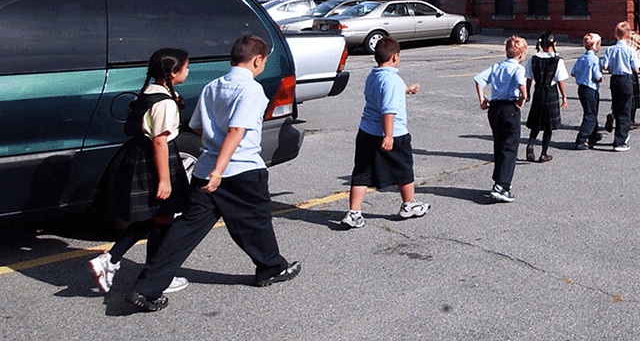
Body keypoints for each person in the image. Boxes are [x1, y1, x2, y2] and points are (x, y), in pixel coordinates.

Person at [126, 36, 300, 313]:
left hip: (205, 169)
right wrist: (220, 170)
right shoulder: (252, 90)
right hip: (238, 169)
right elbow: (236, 130)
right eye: (264, 61)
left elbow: (196, 127)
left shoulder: (211, 87)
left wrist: (213, 162)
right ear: (257, 60)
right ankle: (271, 267)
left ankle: (146, 288)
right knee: (255, 222)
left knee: (185, 230)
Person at [89, 48, 192, 297]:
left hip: (137, 158)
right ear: (174, 72)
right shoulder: (165, 102)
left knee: (159, 217)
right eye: (186, 67)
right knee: (160, 215)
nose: (188, 72)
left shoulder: (149, 93)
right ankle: (142, 270)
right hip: (155, 162)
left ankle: (136, 267)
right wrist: (165, 180)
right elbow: (160, 142)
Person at [338, 37, 428, 230]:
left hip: (366, 132)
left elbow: (381, 93)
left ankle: (354, 212)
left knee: (362, 171)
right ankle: (409, 203)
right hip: (393, 134)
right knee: (404, 168)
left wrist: (405, 90)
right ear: (395, 57)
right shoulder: (393, 80)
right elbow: (388, 109)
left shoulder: (375, 74)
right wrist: (388, 135)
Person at [474, 37, 529, 202]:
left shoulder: (497, 67)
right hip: (509, 108)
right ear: (521, 54)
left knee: (499, 144)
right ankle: (502, 185)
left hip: (495, 108)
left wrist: (482, 100)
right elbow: (522, 86)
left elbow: (478, 80)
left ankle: (499, 178)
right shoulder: (518, 69)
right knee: (510, 147)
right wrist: (523, 99)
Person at [525, 32, 569, 163]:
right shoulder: (557, 60)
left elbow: (528, 78)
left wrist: (526, 93)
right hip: (551, 92)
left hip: (538, 90)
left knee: (536, 123)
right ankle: (544, 153)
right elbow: (560, 80)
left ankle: (531, 143)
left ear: (540, 44)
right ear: (554, 44)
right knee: (549, 126)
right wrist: (564, 97)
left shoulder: (533, 59)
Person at [600, 23, 640, 151]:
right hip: (626, 79)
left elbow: (605, 66)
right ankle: (620, 140)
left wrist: (612, 68)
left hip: (614, 79)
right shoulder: (630, 50)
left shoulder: (610, 50)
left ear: (615, 34)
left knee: (617, 105)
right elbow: (635, 67)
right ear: (628, 35)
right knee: (625, 110)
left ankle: (618, 133)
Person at [571, 33, 603, 150]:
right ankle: (582, 138)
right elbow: (597, 77)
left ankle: (593, 135)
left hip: (581, 88)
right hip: (591, 88)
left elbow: (573, 72)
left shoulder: (581, 58)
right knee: (590, 114)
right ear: (595, 46)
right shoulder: (595, 59)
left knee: (590, 112)